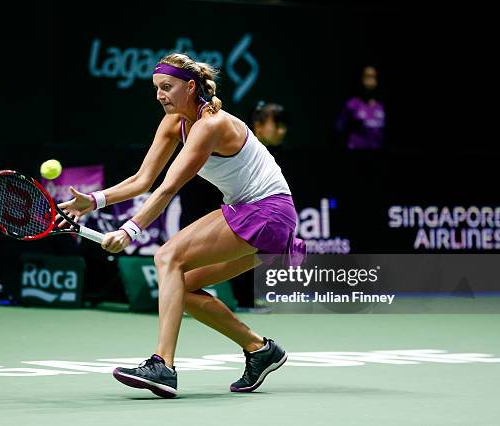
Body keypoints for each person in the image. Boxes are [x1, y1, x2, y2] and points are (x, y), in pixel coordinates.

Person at [57, 53, 305, 398]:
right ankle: (260, 349)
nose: (160, 95)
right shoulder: (174, 123)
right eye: (156, 88)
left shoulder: (211, 125)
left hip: (266, 212)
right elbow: (143, 179)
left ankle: (163, 366)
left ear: (191, 87)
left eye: (167, 87)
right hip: (263, 217)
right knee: (182, 288)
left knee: (167, 257)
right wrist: (95, 200)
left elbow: (169, 187)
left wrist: (129, 230)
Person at [336, 65, 385, 150]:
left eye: (373, 77)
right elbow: (339, 129)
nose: (370, 80)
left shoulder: (381, 107)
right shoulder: (352, 104)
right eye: (367, 76)